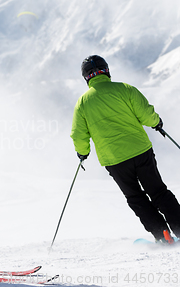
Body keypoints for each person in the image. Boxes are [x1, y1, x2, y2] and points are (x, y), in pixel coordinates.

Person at [70, 55, 180, 243]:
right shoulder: (124, 89)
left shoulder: (83, 103)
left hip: (115, 160)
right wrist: (157, 123)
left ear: (86, 77)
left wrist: (83, 152)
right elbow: (146, 114)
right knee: (159, 192)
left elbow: (78, 134)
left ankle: (162, 236)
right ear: (107, 70)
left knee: (136, 198)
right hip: (140, 151)